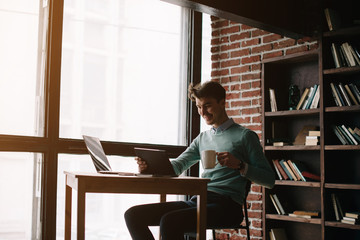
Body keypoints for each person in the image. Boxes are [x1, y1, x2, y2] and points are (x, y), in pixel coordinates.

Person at [124, 81, 275, 240]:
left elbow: (269, 180)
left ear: (222, 102)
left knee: (170, 221)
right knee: (133, 215)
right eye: (198, 106)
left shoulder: (245, 136)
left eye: (207, 105)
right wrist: (150, 167)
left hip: (227, 206)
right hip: (198, 200)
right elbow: (177, 166)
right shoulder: (203, 138)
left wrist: (239, 165)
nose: (203, 112)